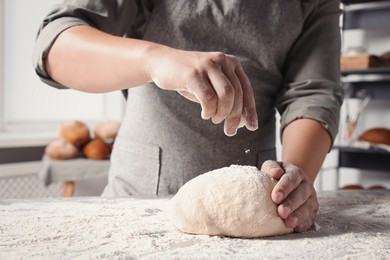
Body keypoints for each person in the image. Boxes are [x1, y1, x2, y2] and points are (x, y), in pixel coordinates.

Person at [33, 0, 343, 233]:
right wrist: (154, 60)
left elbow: (312, 93)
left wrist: (294, 177)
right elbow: (55, 45)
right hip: (135, 203)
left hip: (260, 211)